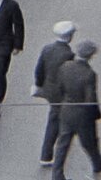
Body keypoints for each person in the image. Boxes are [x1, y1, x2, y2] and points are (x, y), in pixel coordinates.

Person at [50, 40, 101, 180]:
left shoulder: (65, 66)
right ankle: (98, 163)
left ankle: (57, 175)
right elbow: (91, 100)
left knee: (62, 144)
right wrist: (95, 115)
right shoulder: (89, 74)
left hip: (66, 110)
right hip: (82, 115)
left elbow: (59, 88)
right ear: (90, 56)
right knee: (89, 142)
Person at [32, 20, 77, 167]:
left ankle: (47, 154)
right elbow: (68, 76)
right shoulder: (68, 54)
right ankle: (46, 155)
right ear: (69, 36)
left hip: (49, 90)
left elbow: (39, 69)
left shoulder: (47, 49)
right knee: (54, 121)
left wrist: (39, 85)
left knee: (55, 116)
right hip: (61, 93)